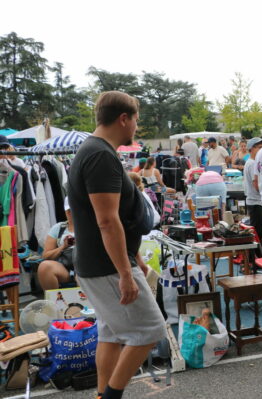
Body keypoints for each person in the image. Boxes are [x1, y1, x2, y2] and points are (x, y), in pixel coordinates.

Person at [68, 91, 165, 399]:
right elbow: (107, 221)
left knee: (110, 333)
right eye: (135, 120)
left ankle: (102, 395)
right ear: (123, 119)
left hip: (99, 263)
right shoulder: (100, 156)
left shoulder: (94, 151)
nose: (136, 127)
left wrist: (134, 257)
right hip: (106, 266)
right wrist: (125, 272)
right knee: (150, 329)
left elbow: (119, 218)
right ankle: (111, 396)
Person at [38, 198, 76, 291]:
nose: (70, 213)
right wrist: (63, 247)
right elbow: (46, 255)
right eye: (68, 211)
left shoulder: (90, 225)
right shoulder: (58, 228)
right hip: (65, 267)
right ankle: (55, 303)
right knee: (44, 266)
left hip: (85, 264)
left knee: (83, 275)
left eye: (73, 210)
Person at [243, 137, 262, 240]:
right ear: (251, 149)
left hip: (254, 202)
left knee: (257, 232)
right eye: (260, 147)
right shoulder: (252, 164)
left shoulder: (251, 162)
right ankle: (257, 255)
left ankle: (256, 254)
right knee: (257, 234)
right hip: (256, 202)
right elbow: (256, 185)